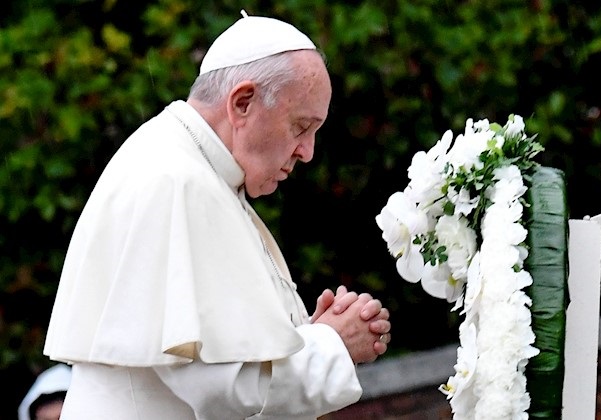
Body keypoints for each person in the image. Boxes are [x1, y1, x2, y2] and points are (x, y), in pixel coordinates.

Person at [43, 10, 391, 420]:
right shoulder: (177, 181)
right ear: (242, 103)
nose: (307, 152)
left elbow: (223, 356)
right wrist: (333, 344)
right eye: (300, 126)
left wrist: (302, 336)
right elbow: (219, 387)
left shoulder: (194, 169)